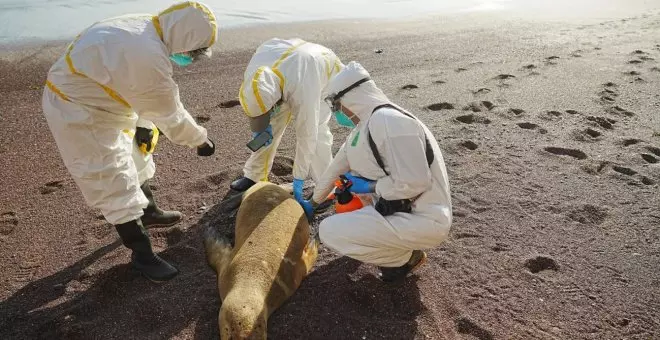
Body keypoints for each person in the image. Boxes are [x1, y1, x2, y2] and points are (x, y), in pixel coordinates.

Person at [42, 1, 218, 282]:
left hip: (108, 98)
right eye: (193, 52)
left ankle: (149, 211)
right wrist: (200, 140)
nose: (189, 57)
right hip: (79, 111)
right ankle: (142, 254)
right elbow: (169, 112)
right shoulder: (146, 54)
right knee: (112, 177)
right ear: (185, 37)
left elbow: (135, 86)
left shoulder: (148, 27)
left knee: (138, 156)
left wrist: (143, 123)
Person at [301, 62, 453, 283]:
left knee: (329, 231)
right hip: (397, 208)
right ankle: (396, 248)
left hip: (425, 218)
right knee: (347, 208)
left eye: (336, 105)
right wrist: (312, 202)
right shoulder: (364, 127)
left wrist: (371, 186)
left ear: (351, 97)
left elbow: (415, 182)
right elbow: (335, 169)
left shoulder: (392, 122)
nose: (338, 113)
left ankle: (404, 257)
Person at [230, 38, 344, 209]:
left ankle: (326, 187)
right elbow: (258, 101)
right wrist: (260, 126)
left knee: (317, 132)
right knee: (272, 124)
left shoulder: (303, 88)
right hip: (289, 69)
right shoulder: (254, 74)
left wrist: (298, 177)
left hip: (322, 74)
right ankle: (255, 175)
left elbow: (307, 134)